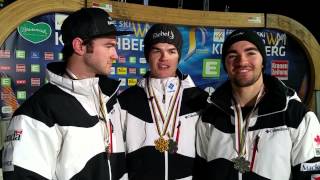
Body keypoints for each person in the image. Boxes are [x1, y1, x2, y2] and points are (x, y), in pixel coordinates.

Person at [2, 8, 132, 180]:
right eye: (109, 46)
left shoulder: (109, 99)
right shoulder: (39, 110)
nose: (115, 55)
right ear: (79, 46)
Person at [194, 29, 320, 180]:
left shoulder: (296, 115)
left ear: (262, 62)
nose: (242, 61)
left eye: (251, 53)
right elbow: (201, 174)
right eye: (232, 55)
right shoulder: (210, 116)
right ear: (225, 65)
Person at [118, 24, 208, 180]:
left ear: (179, 56)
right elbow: (118, 158)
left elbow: (207, 156)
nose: (164, 57)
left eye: (171, 51)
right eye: (156, 50)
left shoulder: (199, 99)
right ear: (147, 55)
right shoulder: (126, 101)